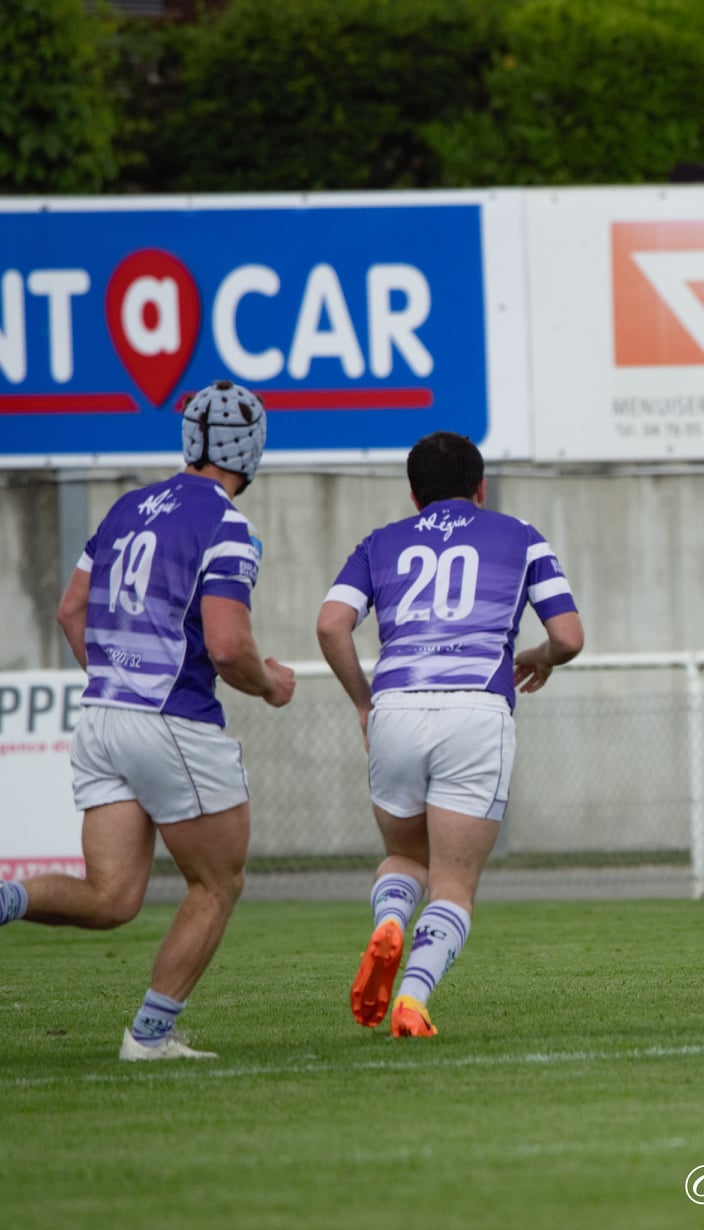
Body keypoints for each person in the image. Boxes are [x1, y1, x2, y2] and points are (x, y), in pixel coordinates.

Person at [0, 381, 295, 1060]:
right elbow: (226, 645)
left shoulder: (125, 510)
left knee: (111, 899)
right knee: (217, 883)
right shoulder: (226, 526)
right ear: (250, 453)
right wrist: (271, 686)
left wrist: (113, 680)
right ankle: (150, 1036)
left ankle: (7, 899)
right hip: (171, 721)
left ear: (190, 441)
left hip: (102, 716)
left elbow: (70, 612)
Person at [316, 432, 584, 1038]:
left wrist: (364, 701)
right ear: (480, 488)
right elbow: (569, 637)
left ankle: (389, 923)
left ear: (414, 495)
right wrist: (539, 655)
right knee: (454, 882)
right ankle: (411, 998)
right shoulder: (521, 536)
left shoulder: (378, 544)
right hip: (474, 712)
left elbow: (331, 625)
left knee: (406, 856)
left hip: (396, 709)